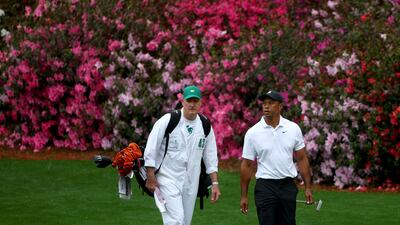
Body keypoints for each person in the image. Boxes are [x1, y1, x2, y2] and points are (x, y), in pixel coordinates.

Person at [144, 85, 221, 225]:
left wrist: (215, 183)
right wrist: (150, 175)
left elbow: (210, 156)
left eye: (195, 101)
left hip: (192, 181)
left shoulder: (205, 125)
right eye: (189, 100)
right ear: (183, 101)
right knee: (176, 220)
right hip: (168, 178)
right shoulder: (169, 120)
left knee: (185, 221)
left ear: (200, 103)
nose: (192, 104)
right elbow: (151, 148)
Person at [240, 90, 313, 225]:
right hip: (265, 186)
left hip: (287, 185)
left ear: (280, 106)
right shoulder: (253, 133)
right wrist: (244, 196)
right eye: (264, 103)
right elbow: (247, 165)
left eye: (271, 103)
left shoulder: (293, 128)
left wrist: (308, 187)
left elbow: (302, 158)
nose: (266, 106)